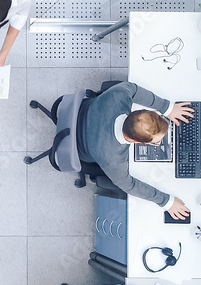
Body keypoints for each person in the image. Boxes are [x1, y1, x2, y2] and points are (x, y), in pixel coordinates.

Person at [81, 81, 194, 219]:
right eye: (156, 142)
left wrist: (168, 108)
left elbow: (133, 89)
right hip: (82, 147)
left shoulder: (119, 95)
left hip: (83, 111)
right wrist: (167, 202)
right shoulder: (113, 159)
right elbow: (129, 185)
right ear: (138, 142)